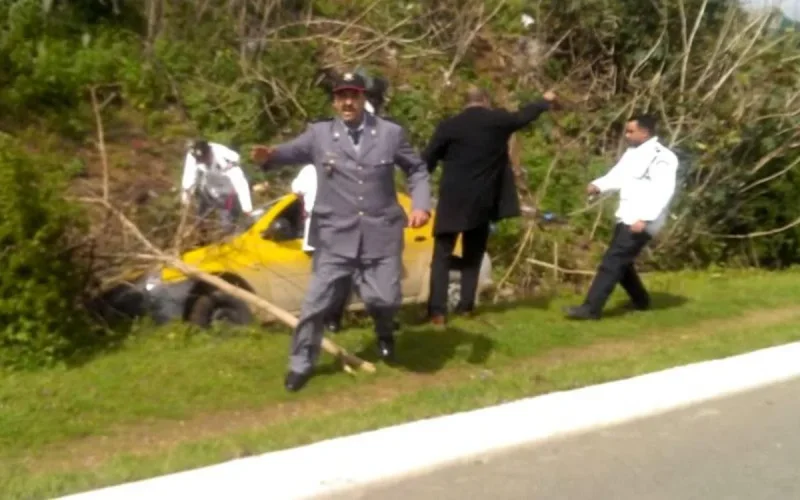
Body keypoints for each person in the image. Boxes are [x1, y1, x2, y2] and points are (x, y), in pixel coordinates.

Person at [251, 71, 431, 392]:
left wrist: (420, 205)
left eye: (354, 96)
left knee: (386, 299)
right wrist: (270, 156)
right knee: (315, 305)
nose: (348, 102)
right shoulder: (318, 135)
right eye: (341, 97)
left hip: (381, 232)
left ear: (363, 99)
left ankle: (384, 329)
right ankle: (300, 363)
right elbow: (288, 152)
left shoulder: (390, 134)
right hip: (336, 235)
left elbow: (416, 169)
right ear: (335, 102)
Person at [422, 86, 558, 325]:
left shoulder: (449, 125)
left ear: (465, 103)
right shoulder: (497, 120)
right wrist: (544, 101)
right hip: (482, 201)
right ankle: (466, 307)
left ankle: (437, 311)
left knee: (441, 257)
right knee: (472, 256)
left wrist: (419, 193)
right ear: (486, 100)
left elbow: (427, 161)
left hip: (452, 201)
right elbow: (523, 116)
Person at [564, 114, 679, 320]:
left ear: (645, 132)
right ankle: (641, 300)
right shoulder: (633, 154)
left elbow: (664, 190)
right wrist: (598, 185)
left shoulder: (662, 157)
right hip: (626, 216)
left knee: (612, 261)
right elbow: (618, 175)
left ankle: (591, 309)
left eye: (631, 131)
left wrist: (645, 219)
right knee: (621, 263)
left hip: (643, 221)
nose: (627, 135)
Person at [290, 163, 351, 333]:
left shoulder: (312, 168)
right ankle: (327, 318)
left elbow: (296, 191)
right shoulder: (314, 168)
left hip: (333, 226)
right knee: (330, 278)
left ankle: (330, 318)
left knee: (336, 278)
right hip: (325, 226)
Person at [181, 140, 253, 234]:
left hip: (228, 190)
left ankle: (230, 233)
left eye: (205, 158)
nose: (203, 161)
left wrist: (247, 208)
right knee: (200, 218)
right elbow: (189, 175)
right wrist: (186, 198)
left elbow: (240, 183)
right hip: (209, 186)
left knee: (227, 222)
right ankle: (201, 234)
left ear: (210, 152)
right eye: (200, 160)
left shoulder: (226, 159)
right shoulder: (193, 155)